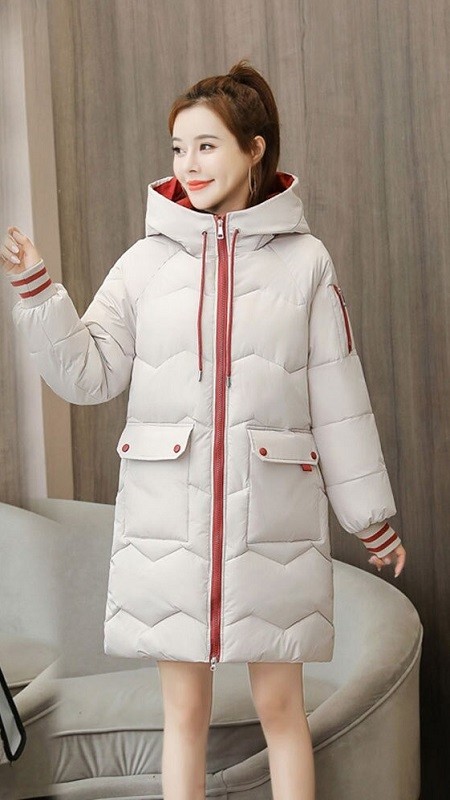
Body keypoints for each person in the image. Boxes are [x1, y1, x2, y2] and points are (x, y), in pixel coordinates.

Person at [2, 58, 406, 800]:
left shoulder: (306, 264)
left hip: (273, 527)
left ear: (255, 150)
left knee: (281, 708)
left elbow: (339, 395)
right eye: (178, 148)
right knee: (182, 714)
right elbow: (89, 376)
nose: (188, 164)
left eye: (207, 145)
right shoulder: (144, 263)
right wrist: (39, 294)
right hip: (168, 527)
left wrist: (371, 520)